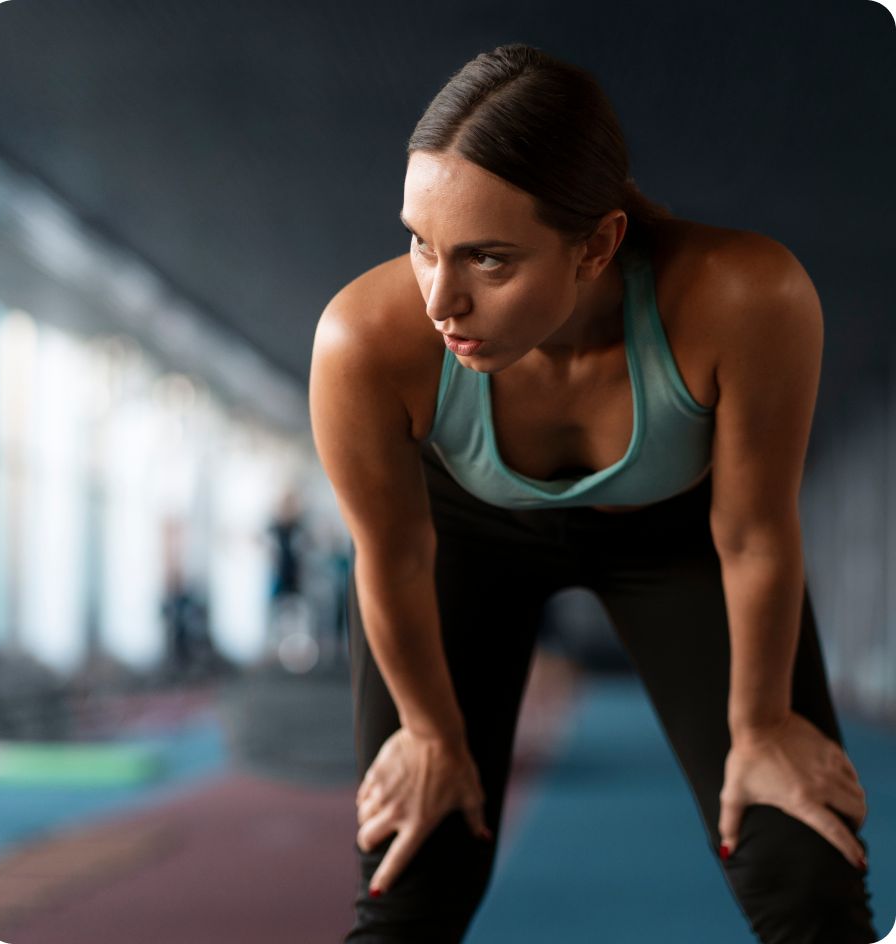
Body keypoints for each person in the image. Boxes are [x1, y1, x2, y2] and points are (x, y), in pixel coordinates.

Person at [309, 43, 879, 944]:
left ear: (597, 244)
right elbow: (392, 553)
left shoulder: (743, 297)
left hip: (680, 540)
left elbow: (756, 534)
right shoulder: (363, 341)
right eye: (421, 243)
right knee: (413, 874)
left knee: (804, 867)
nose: (439, 300)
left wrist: (764, 726)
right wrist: (427, 734)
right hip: (464, 542)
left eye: (488, 260)